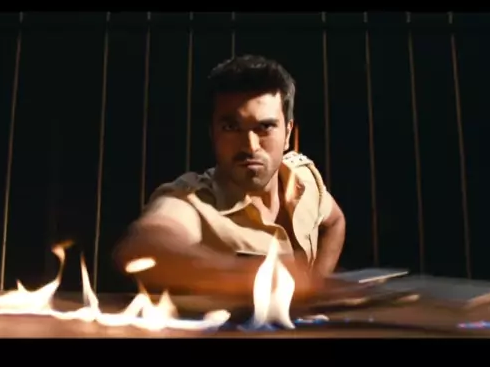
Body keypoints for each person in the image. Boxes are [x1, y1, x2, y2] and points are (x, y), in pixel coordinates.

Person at [113, 55, 345, 303]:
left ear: (287, 133)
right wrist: (263, 278)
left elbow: (335, 222)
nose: (250, 146)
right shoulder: (191, 199)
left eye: (265, 127)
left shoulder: (303, 178)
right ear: (213, 134)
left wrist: (317, 286)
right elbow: (142, 248)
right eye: (231, 128)